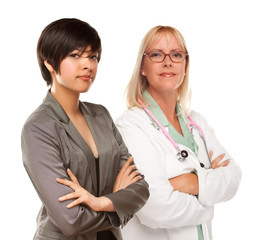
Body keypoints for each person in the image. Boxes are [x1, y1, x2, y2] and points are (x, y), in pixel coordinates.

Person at [21, 18, 149, 240]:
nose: (88, 65)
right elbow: (72, 220)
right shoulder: (38, 128)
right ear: (49, 63)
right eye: (75, 55)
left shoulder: (101, 115)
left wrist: (101, 202)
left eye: (93, 56)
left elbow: (141, 188)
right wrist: (117, 202)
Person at [115, 25, 242, 240]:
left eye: (176, 54)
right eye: (156, 54)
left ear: (185, 65)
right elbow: (154, 207)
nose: (168, 61)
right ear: (142, 67)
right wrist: (210, 201)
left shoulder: (196, 122)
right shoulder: (131, 126)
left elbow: (233, 177)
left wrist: (192, 182)